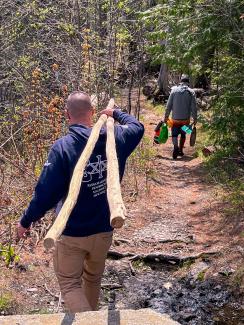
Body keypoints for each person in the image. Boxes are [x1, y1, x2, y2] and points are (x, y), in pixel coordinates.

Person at [17, 91, 144, 313]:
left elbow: (45, 194)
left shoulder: (64, 147)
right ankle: (90, 316)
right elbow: (137, 127)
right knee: (93, 279)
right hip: (104, 230)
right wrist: (116, 113)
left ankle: (88, 321)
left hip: (72, 234)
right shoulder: (116, 137)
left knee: (69, 284)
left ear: (67, 114)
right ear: (93, 113)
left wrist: (26, 221)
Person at [164, 74, 197, 159]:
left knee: (174, 134)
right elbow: (194, 107)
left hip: (175, 119)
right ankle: (181, 150)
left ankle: (175, 147)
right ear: (188, 83)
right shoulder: (191, 92)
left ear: (181, 82)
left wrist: (166, 117)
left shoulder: (174, 90)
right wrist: (195, 118)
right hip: (186, 120)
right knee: (183, 134)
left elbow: (169, 105)